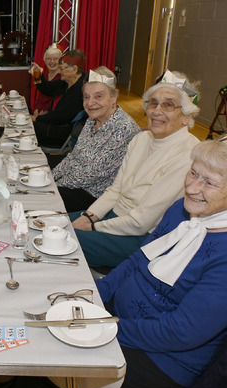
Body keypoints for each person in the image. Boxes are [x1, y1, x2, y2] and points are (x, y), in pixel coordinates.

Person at [97, 135, 227, 388]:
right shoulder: (182, 210)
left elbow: (180, 332)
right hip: (118, 320)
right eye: (193, 173)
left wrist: (103, 329)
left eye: (209, 183)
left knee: (54, 364)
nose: (192, 188)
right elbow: (138, 260)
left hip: (162, 359)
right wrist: (96, 294)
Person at [71, 70, 201, 269]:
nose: (157, 111)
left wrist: (93, 226)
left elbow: (141, 222)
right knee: (47, 223)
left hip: (140, 238)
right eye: (153, 103)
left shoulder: (188, 156)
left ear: (186, 116)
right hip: (113, 217)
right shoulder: (141, 139)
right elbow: (115, 190)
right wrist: (90, 215)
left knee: (55, 239)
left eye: (168, 105)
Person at [52, 67, 140, 212]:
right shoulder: (92, 120)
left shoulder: (123, 128)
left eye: (98, 96)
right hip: (76, 184)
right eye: (86, 97)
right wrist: (51, 176)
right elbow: (73, 156)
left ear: (114, 97)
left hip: (96, 198)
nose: (90, 103)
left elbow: (91, 175)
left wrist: (55, 185)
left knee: (40, 199)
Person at [30, 49, 86, 148]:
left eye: (63, 68)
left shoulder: (80, 89)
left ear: (74, 69)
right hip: (56, 126)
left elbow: (60, 116)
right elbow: (46, 88)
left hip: (61, 134)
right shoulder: (65, 83)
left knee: (26, 127)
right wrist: (37, 74)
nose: (60, 71)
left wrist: (37, 118)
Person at [30, 43, 62, 114]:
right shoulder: (45, 75)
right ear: (44, 60)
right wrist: (36, 109)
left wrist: (37, 75)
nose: (52, 62)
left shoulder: (62, 77)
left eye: (55, 59)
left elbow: (47, 90)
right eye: (49, 59)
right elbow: (41, 95)